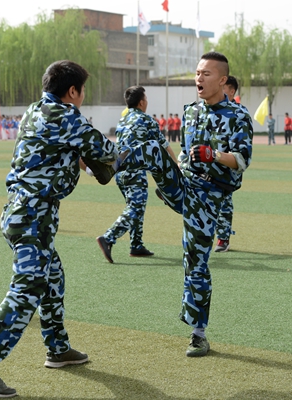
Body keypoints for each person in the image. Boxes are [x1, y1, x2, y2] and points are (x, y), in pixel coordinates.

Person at [0, 60, 118, 398]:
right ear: (72, 91)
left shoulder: (34, 110)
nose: (82, 97)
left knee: (53, 276)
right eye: (82, 91)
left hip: (19, 211)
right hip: (34, 215)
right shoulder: (67, 115)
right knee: (29, 287)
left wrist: (79, 159)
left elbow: (57, 152)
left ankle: (57, 348)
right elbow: (107, 152)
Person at [118, 52, 253, 357]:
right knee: (154, 148)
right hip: (184, 185)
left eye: (206, 74)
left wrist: (213, 155)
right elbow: (181, 153)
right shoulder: (191, 112)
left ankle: (198, 334)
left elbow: (242, 160)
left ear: (222, 80)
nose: (199, 78)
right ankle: (107, 165)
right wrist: (177, 168)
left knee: (195, 262)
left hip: (208, 195)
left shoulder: (238, 115)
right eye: (197, 73)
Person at [97, 86, 176, 263]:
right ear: (141, 102)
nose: (147, 102)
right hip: (135, 170)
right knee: (136, 207)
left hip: (119, 171)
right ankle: (108, 238)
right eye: (146, 99)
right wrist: (176, 164)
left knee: (134, 205)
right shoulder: (147, 120)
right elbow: (162, 145)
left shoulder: (123, 120)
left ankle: (136, 244)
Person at [214, 75, 245, 253]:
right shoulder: (213, 110)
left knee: (224, 201)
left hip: (227, 167)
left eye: (223, 87)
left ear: (231, 91)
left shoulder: (239, 113)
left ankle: (223, 238)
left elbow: (241, 148)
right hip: (208, 165)